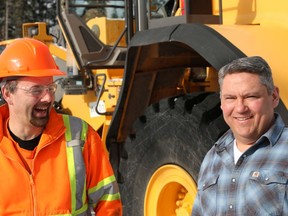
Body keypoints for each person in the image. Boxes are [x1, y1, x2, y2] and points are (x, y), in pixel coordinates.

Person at [0, 38, 122, 215]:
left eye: (50, 88)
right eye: (36, 90)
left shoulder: (80, 136)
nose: (48, 98)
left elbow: (108, 203)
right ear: (7, 93)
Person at [192, 56, 288, 215]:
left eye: (251, 97)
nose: (240, 108)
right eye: (230, 98)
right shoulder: (212, 158)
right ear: (222, 103)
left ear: (274, 97)